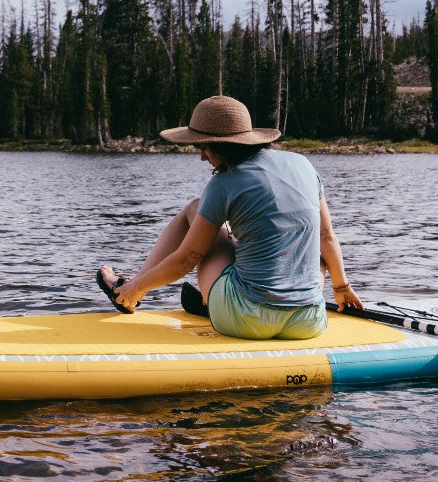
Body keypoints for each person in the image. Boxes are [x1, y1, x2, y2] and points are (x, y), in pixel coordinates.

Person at [96, 95, 363, 340]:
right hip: (309, 322)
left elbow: (188, 258)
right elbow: (327, 237)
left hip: (247, 319)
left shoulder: (224, 183)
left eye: (203, 147)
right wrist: (341, 288)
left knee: (194, 209)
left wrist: (140, 286)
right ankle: (206, 300)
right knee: (314, 249)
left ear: (222, 146)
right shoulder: (303, 164)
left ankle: (129, 294)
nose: (201, 156)